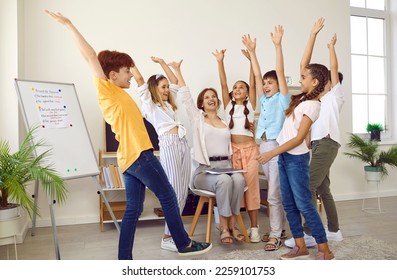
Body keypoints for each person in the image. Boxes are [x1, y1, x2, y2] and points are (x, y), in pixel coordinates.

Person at [45, 11, 211, 259]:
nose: (130, 75)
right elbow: (90, 56)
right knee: (167, 195)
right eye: (126, 71)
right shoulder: (107, 90)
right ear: (112, 75)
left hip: (127, 159)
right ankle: (183, 243)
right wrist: (68, 24)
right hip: (139, 155)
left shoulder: (119, 94)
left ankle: (124, 260)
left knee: (133, 208)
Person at [256, 61, 335, 260]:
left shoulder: (313, 105)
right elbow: (303, 61)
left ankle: (325, 249)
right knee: (289, 205)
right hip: (285, 158)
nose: (300, 80)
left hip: (295, 160)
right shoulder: (302, 100)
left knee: (304, 205)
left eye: (303, 77)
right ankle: (300, 246)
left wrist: (271, 153)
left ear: (315, 81)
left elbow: (298, 138)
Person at [285, 18, 344, 248]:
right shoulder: (312, 99)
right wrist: (312, 35)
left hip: (327, 143)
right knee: (322, 187)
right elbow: (304, 65)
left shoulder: (334, 96)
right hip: (318, 145)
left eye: (330, 79)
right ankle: (334, 230)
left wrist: (331, 49)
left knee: (307, 186)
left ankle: (309, 231)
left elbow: (334, 70)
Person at [172, 60, 246, 245]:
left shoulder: (225, 119)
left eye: (213, 96)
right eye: (207, 97)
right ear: (201, 103)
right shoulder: (197, 119)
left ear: (218, 101)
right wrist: (178, 71)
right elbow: (186, 97)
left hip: (226, 167)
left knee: (239, 179)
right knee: (224, 180)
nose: (211, 99)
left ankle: (232, 222)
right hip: (205, 171)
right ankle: (224, 225)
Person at [137, 57, 191, 252]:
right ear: (154, 89)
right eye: (162, 87)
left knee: (184, 189)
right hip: (168, 144)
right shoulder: (150, 106)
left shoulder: (170, 104)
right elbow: (141, 83)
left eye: (167, 87)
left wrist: (166, 65)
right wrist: (134, 66)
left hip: (183, 142)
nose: (167, 89)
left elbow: (175, 83)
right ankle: (169, 235)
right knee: (173, 190)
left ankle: (175, 232)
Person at [212, 34, 263, 243]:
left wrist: (252, 57)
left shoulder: (250, 105)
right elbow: (223, 85)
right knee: (235, 188)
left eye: (241, 87)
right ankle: (232, 226)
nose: (237, 89)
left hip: (250, 150)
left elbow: (252, 80)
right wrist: (220, 62)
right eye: (236, 87)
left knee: (251, 188)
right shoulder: (228, 106)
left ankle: (254, 227)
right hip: (233, 150)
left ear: (247, 92)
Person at [255, 26, 290, 251]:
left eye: (271, 82)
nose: (266, 85)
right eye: (266, 83)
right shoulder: (265, 100)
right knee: (272, 191)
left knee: (274, 194)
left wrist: (277, 46)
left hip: (276, 147)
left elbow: (280, 69)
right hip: (264, 145)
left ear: (279, 85)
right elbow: (257, 77)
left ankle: (276, 234)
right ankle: (280, 228)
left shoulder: (283, 99)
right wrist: (253, 54)